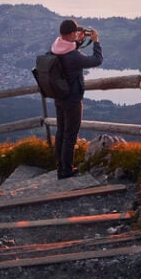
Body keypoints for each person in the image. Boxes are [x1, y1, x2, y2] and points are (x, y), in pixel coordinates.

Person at [49, 18, 102, 178]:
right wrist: (96, 42)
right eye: (76, 32)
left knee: (61, 132)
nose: (78, 34)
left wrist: (77, 43)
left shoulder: (55, 47)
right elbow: (96, 60)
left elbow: (67, 53)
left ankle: (60, 166)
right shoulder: (73, 55)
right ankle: (66, 170)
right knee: (70, 134)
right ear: (72, 33)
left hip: (59, 97)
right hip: (72, 99)